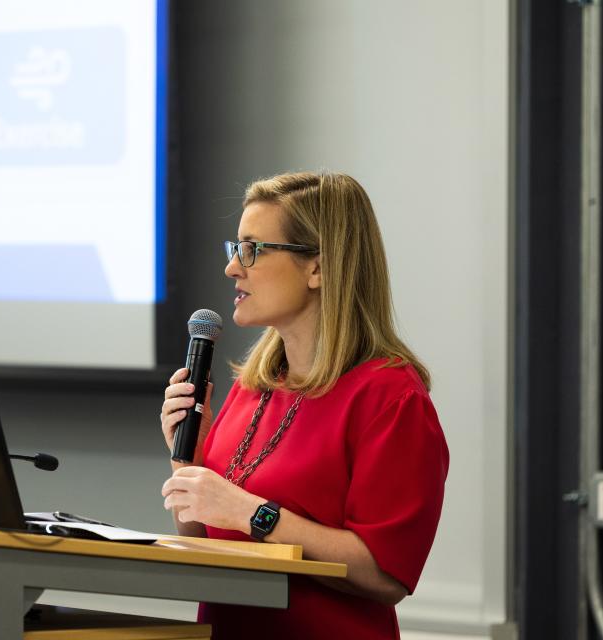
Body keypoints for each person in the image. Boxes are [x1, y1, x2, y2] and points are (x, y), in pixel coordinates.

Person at [159, 171, 449, 639]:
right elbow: (202, 541)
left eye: (252, 249)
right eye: (235, 249)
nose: (233, 268)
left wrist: (254, 514)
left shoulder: (391, 397)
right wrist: (187, 459)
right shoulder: (252, 386)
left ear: (319, 267)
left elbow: (385, 574)